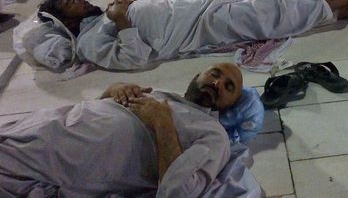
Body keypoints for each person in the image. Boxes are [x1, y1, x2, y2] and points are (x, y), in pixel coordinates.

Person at [29, 0, 348, 71]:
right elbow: (133, 59)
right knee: (274, 11)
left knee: (268, 10)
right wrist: (123, 21)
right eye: (69, 2)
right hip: (197, 28)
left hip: (196, 10)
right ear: (66, 23)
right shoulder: (89, 42)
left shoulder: (97, 20)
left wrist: (128, 7)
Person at [0, 63, 263, 196]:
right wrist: (113, 91)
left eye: (229, 87)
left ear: (229, 106)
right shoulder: (160, 95)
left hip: (45, 160)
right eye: (214, 74)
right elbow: (99, 111)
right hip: (37, 127)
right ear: (197, 77)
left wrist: (163, 123)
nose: (217, 83)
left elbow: (178, 193)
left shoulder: (212, 133)